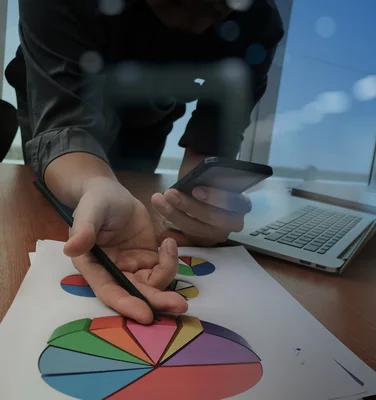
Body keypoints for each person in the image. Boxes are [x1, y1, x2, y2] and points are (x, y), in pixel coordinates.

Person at [5, 0, 283, 323]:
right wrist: (97, 184)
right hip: (51, 95)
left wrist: (201, 211)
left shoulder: (257, 19)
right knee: (49, 212)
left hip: (148, 120)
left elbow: (208, 153)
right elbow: (62, 127)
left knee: (119, 208)